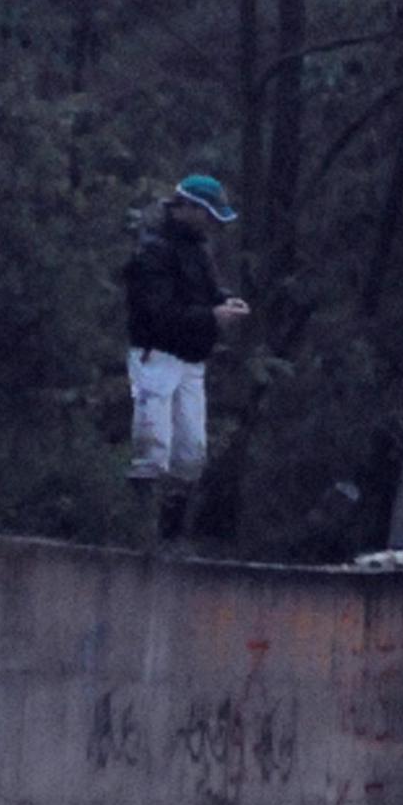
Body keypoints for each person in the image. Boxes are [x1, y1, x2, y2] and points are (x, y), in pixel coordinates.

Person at [124, 174, 249, 544]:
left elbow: (205, 291)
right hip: (157, 356)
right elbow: (157, 312)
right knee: (153, 451)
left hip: (192, 360)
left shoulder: (199, 248)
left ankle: (169, 537)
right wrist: (211, 317)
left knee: (191, 455)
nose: (212, 223)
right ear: (187, 209)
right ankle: (139, 536)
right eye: (207, 214)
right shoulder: (153, 249)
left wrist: (223, 301)